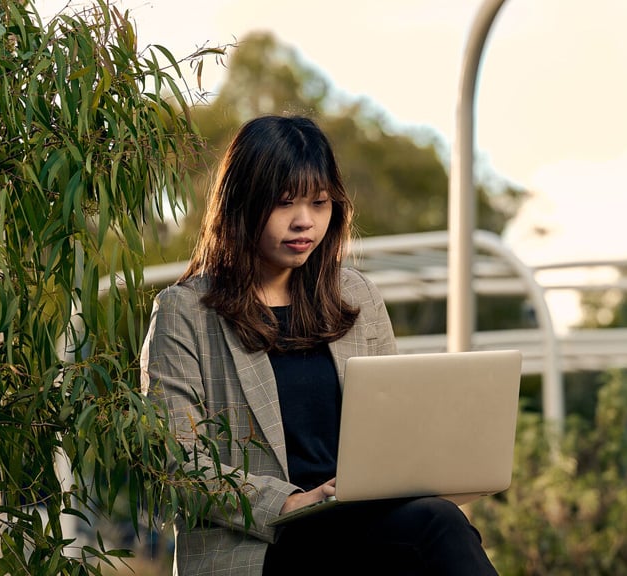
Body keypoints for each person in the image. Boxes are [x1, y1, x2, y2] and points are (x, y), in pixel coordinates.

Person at [141, 115, 498, 576]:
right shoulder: (185, 312)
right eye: (284, 203)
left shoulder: (357, 297)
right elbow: (176, 465)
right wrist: (290, 500)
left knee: (437, 521)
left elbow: (396, 434)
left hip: (359, 524)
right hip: (262, 546)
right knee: (435, 527)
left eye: (320, 202)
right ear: (242, 204)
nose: (305, 221)